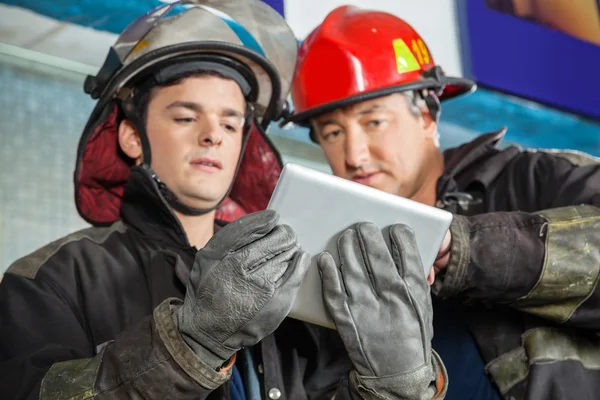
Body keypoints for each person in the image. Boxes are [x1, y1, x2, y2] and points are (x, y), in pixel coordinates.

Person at [0, 1, 447, 399]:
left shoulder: (293, 273)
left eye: (231, 124)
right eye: (185, 116)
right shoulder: (55, 278)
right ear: (132, 136)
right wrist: (187, 344)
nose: (213, 134)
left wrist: (393, 387)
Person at [280, 5, 600, 400]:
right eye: (331, 133)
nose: (355, 154)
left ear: (428, 115)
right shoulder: (330, 259)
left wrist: (464, 249)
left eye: (373, 121)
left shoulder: (532, 181)